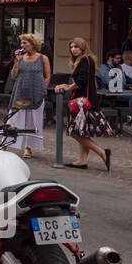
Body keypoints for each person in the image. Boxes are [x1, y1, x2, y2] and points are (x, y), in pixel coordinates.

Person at [53, 37, 113, 171]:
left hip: (84, 103)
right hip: (86, 101)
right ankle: (82, 160)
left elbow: (82, 80)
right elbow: (81, 81)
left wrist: (67, 88)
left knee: (75, 133)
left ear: (83, 48)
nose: (73, 49)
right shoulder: (85, 60)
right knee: (82, 132)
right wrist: (67, 85)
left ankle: (103, 153)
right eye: (72, 47)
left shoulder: (85, 60)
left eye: (76, 47)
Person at [7, 34, 50, 160]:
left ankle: (28, 147)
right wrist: (17, 61)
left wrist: (43, 90)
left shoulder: (42, 58)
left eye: (25, 43)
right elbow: (14, 75)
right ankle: (6, 142)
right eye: (21, 43)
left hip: (36, 93)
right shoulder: (21, 58)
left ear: (32, 44)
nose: (22, 45)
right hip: (21, 92)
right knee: (14, 117)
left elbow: (47, 76)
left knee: (33, 121)